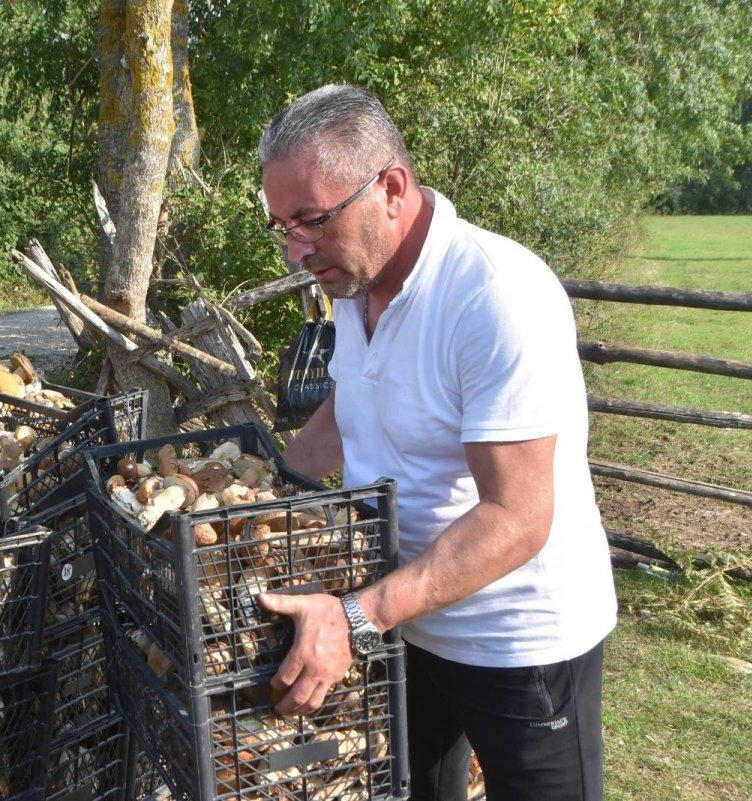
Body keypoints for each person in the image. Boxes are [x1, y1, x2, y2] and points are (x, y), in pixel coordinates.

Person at [255, 84, 617, 801]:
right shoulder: (355, 280)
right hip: (411, 627)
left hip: (521, 645)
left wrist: (356, 616)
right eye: (281, 227)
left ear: (390, 188)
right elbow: (350, 403)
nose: (297, 251)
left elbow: (516, 517)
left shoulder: (494, 295)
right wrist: (264, 487)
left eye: (311, 221)